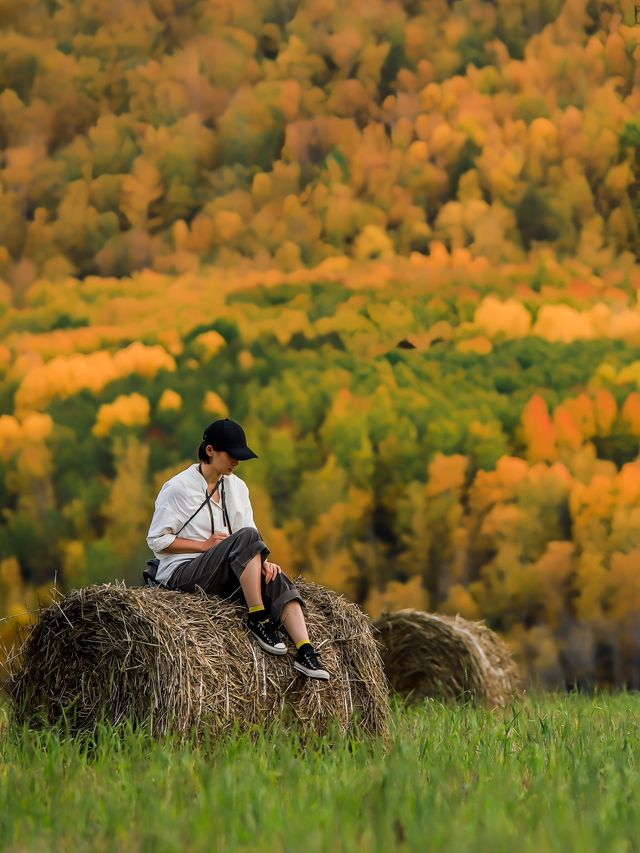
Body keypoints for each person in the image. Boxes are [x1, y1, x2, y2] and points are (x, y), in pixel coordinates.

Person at [146, 418, 330, 681]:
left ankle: (305, 651)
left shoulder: (238, 487)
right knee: (247, 538)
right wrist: (204, 545)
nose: (236, 462)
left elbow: (248, 535)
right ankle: (257, 618)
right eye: (231, 455)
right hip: (182, 574)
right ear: (210, 451)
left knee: (275, 576)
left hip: (224, 570)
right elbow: (157, 541)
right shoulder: (177, 488)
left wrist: (263, 562)